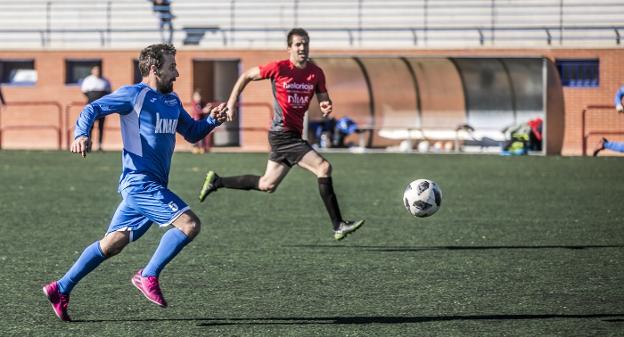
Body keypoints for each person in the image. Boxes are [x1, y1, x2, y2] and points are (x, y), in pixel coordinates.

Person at [42, 43, 228, 322]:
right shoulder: (134, 95)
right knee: (189, 224)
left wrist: (212, 119)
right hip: (139, 183)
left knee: (113, 243)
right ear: (154, 69)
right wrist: (81, 133)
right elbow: (91, 109)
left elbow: (191, 133)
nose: (176, 73)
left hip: (152, 186)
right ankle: (147, 274)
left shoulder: (172, 101)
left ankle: (61, 288)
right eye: (172, 67)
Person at [198, 28, 364, 241]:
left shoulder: (316, 73)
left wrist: (325, 103)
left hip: (291, 135)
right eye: (297, 44)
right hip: (283, 134)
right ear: (289, 48)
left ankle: (217, 181)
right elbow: (246, 75)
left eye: (305, 43)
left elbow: (323, 96)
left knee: (267, 184)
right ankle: (338, 225)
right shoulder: (279, 68)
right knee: (323, 167)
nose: (302, 47)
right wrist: (231, 104)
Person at [81, 65, 112, 151]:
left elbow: (109, 92)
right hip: (91, 106)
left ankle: (100, 145)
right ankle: (88, 144)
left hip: (102, 107)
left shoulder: (105, 81)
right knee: (90, 126)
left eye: (99, 70)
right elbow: (84, 91)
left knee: (101, 126)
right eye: (95, 70)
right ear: (92, 71)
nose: (97, 72)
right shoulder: (88, 80)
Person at [191, 89, 211, 154]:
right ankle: (196, 147)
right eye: (197, 96)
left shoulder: (202, 103)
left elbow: (206, 107)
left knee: (202, 135)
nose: (198, 98)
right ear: (194, 97)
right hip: (195, 122)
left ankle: (203, 147)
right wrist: (204, 110)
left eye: (199, 96)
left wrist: (208, 107)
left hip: (201, 122)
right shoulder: (194, 104)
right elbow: (198, 111)